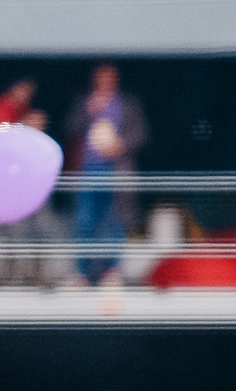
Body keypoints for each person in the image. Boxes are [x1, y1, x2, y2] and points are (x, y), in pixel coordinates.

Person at [61, 64, 147, 285]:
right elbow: (70, 127)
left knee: (115, 221)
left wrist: (121, 144)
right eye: (101, 77)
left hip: (116, 169)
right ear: (95, 78)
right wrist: (88, 111)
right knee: (84, 221)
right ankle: (81, 273)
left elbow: (140, 133)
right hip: (88, 169)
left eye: (110, 77)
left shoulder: (128, 103)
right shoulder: (85, 101)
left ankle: (112, 271)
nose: (105, 80)